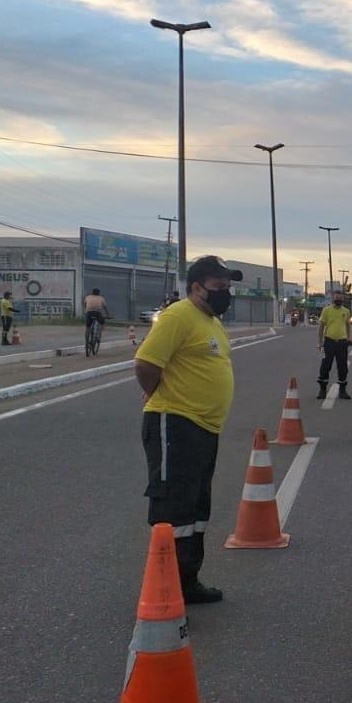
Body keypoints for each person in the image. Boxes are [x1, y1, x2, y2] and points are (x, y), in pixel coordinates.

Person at [133, 255, 242, 605]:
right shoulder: (179, 315)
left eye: (227, 287)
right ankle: (164, 593)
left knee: (196, 510)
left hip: (204, 428)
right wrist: (158, 393)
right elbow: (146, 363)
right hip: (175, 423)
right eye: (218, 286)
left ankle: (187, 581)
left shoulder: (211, 321)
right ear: (197, 287)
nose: (225, 293)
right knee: (172, 508)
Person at [317, 291, 352, 400]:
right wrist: (320, 342)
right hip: (329, 342)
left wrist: (348, 338)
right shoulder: (326, 310)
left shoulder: (346, 311)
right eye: (337, 297)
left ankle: (342, 390)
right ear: (333, 298)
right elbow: (321, 326)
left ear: (343, 299)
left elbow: (347, 325)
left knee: (342, 367)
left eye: (340, 298)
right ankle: (323, 390)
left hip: (342, 343)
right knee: (325, 366)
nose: (338, 299)